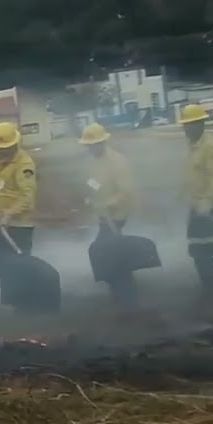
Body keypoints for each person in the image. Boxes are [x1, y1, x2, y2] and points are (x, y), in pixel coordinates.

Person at [78, 123, 138, 307]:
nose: (90, 148)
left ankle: (126, 292)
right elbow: (90, 183)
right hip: (103, 215)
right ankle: (120, 287)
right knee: (111, 251)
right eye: (88, 145)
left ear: (103, 142)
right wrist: (89, 197)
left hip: (117, 215)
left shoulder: (118, 161)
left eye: (94, 144)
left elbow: (125, 191)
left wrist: (108, 203)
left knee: (105, 248)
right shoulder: (90, 162)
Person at [0, 121, 38, 297]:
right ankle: (8, 283)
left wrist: (9, 215)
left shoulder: (24, 165)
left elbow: (28, 198)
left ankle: (25, 295)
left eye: (5, 148)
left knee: (19, 263)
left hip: (20, 224)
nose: (1, 152)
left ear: (14, 144)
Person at [180, 104, 213, 293]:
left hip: (210, 208)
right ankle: (210, 289)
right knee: (198, 250)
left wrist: (208, 203)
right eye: (185, 125)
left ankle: (211, 291)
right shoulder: (193, 146)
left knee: (206, 248)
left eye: (190, 125)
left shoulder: (210, 146)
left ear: (200, 124)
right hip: (197, 209)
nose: (186, 129)